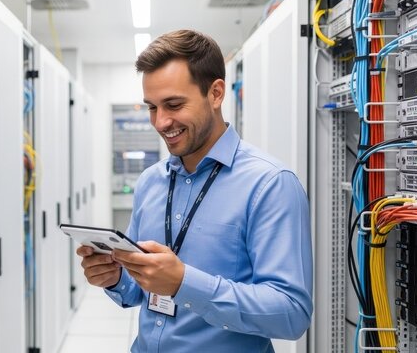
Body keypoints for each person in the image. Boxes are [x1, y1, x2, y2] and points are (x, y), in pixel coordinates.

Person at [76, 30, 312, 352]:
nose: (160, 122)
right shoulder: (151, 182)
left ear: (215, 94)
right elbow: (136, 290)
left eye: (173, 104)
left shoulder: (269, 184)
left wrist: (183, 283)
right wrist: (114, 276)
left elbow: (291, 313)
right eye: (151, 108)